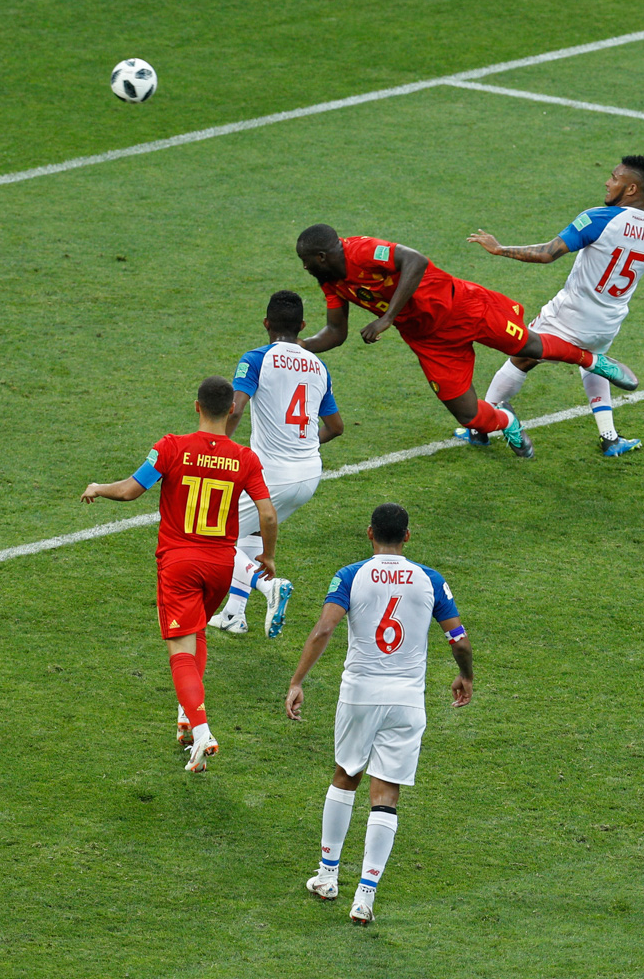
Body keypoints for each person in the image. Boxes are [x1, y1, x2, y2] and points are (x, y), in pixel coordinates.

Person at [296, 222, 642, 459]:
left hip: (463, 308)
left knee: (529, 348)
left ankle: (595, 361)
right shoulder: (330, 282)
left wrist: (387, 317)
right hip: (429, 342)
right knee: (468, 416)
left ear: (322, 257)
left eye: (306, 262)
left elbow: (414, 260)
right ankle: (507, 421)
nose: (305, 268)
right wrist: (298, 346)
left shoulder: (362, 251)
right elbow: (335, 332)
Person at [284, 503, 473, 926]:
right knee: (385, 794)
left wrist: (297, 681)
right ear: (408, 536)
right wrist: (465, 675)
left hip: (360, 693)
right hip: (407, 700)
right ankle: (365, 896)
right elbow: (458, 639)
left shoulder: (351, 575)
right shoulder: (431, 580)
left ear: (370, 533)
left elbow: (324, 629)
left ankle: (328, 875)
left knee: (345, 775)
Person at [81, 376, 278, 770]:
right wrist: (268, 559)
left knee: (178, 650)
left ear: (197, 406)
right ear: (231, 412)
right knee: (198, 630)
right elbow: (268, 513)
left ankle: (202, 731)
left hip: (179, 564)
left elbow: (131, 491)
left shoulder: (171, 448)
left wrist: (98, 487)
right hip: (221, 567)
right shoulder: (245, 458)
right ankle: (187, 717)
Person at [466, 155, 644, 456]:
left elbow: (547, 253)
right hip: (607, 323)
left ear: (631, 189)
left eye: (615, 178)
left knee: (520, 356)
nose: (607, 182)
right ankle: (610, 438)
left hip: (568, 316)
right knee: (593, 362)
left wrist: (500, 249)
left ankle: (480, 428)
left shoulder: (598, 219)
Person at [209, 290, 343, 638]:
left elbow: (235, 409)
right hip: (310, 475)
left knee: (210, 533)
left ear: (266, 323)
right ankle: (234, 614)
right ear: (302, 326)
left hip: (272, 475)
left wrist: (216, 448)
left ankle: (269, 587)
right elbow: (336, 427)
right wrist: (304, 447)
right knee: (249, 532)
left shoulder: (256, 359)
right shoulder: (318, 365)